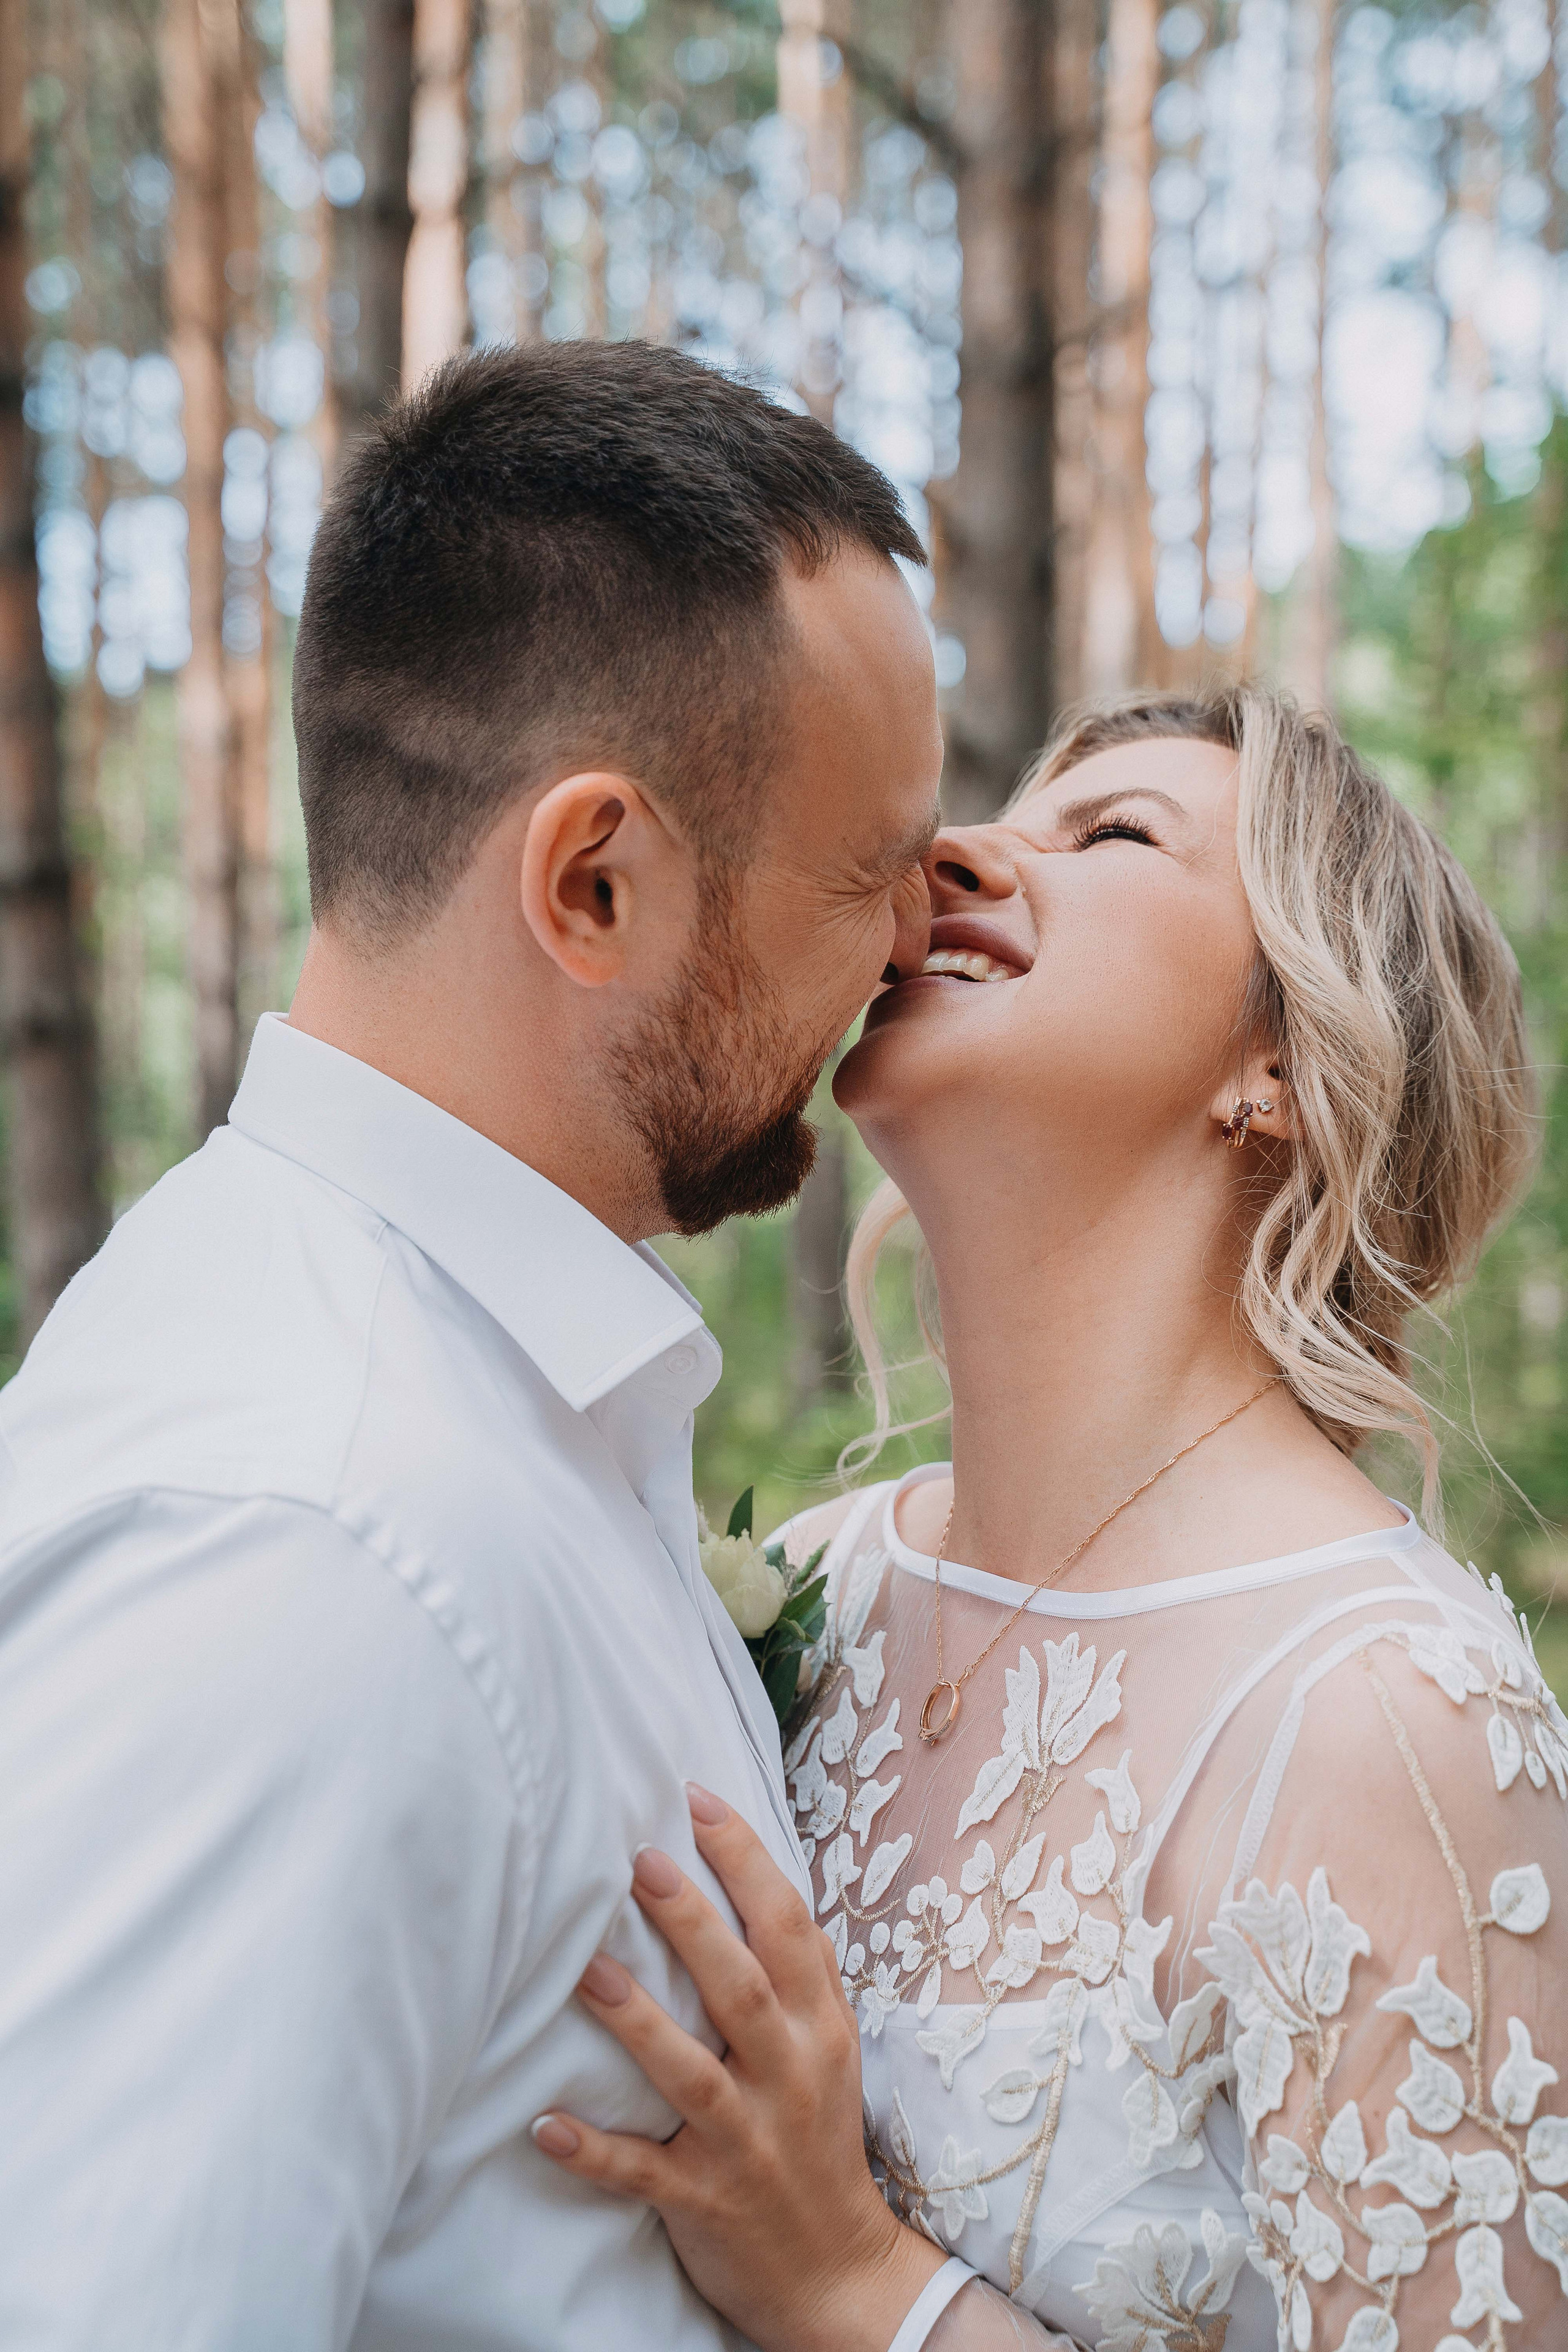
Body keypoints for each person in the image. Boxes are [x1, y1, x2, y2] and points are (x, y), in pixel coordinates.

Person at [0, 342, 949, 2348]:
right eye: (865, 874)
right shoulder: (302, 1548)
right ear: (593, 883)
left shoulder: (477, 1412)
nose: (911, 948)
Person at [536, 687, 1568, 2352]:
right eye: (999, 818)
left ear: (1281, 1062)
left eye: (1113, 836)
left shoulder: (1392, 1724)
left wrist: (856, 2283)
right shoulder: (813, 1581)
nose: (944, 858)